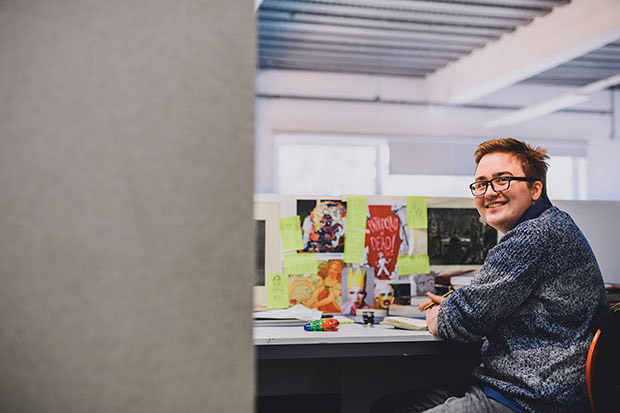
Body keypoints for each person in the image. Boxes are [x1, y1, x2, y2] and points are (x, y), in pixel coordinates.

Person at [372, 138, 608, 413]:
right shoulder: (552, 225)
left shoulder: (533, 235)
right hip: (521, 383)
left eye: (502, 180)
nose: (489, 191)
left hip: (531, 397)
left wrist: (441, 315)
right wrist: (458, 306)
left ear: (535, 189)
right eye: (481, 184)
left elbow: (462, 320)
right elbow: (484, 304)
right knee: (389, 406)